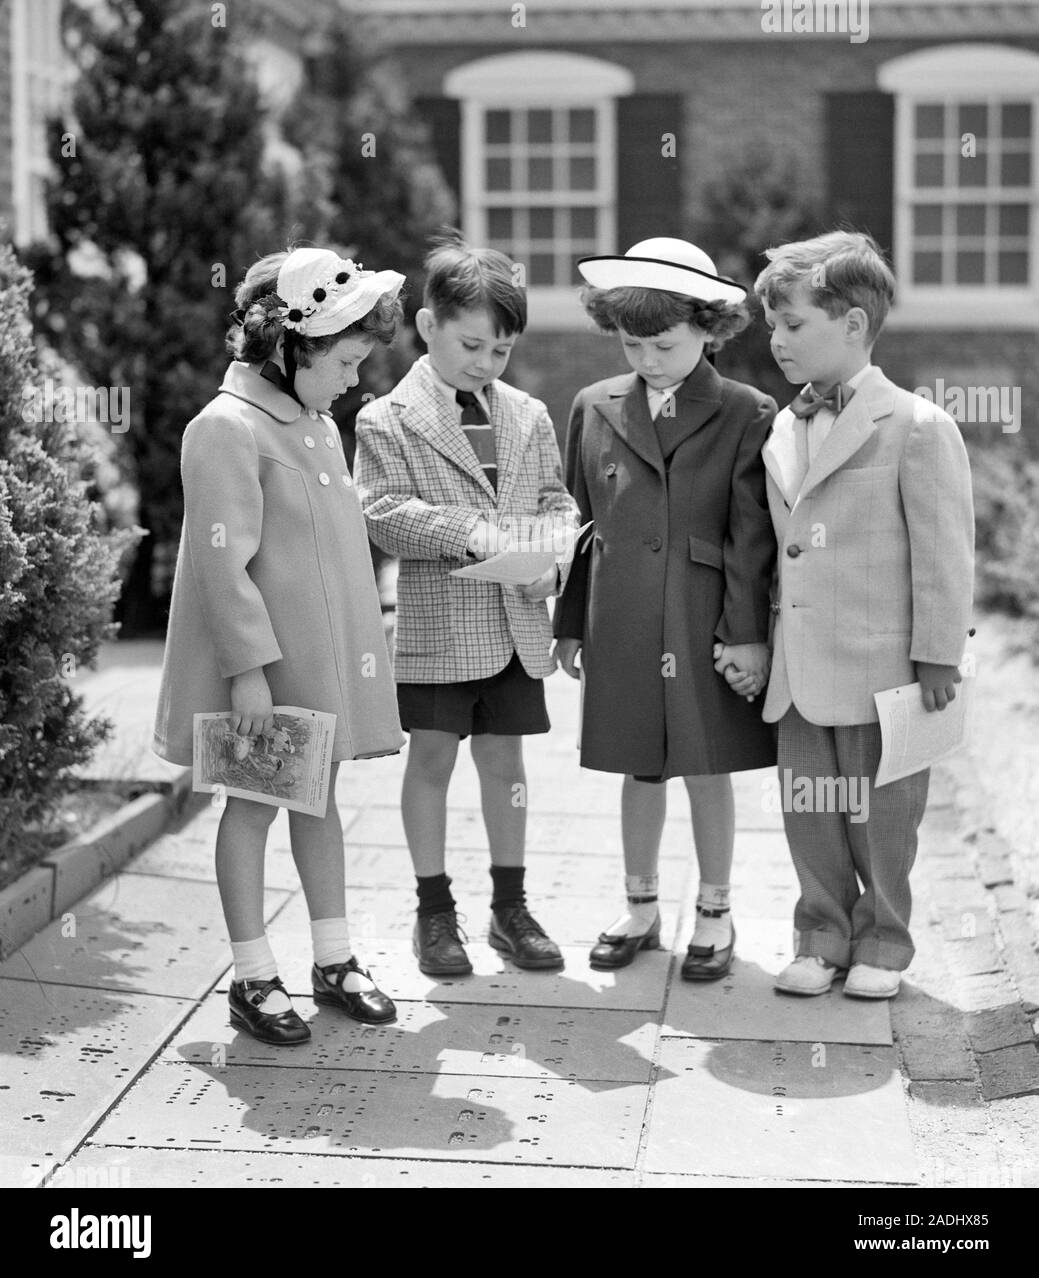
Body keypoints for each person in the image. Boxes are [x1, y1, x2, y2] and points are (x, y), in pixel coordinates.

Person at [153, 247, 406, 1044]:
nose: (355, 378)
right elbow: (220, 570)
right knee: (255, 805)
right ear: (291, 346)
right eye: (344, 360)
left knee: (319, 798)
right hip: (263, 673)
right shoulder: (225, 428)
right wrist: (248, 676)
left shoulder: (316, 425)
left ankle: (332, 958)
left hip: (319, 665)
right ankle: (252, 973)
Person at [719, 230, 974, 1000]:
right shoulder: (780, 428)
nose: (776, 340)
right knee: (809, 809)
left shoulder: (916, 426)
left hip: (882, 664)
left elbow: (942, 552)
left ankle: (884, 943)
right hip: (799, 662)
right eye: (771, 325)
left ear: (854, 325)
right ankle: (819, 932)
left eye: (793, 326)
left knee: (883, 814)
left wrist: (936, 653)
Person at [353, 233, 579, 977]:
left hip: (515, 622)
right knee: (432, 759)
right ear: (427, 325)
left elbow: (553, 499)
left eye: (500, 351)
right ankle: (432, 910)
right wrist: (470, 531)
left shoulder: (527, 414)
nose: (485, 364)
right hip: (436, 627)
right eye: (472, 345)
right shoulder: (385, 419)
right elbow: (380, 512)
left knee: (505, 762)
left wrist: (551, 557)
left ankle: (509, 908)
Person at [553, 237, 777, 979]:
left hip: (700, 617)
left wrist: (744, 636)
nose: (646, 359)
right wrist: (568, 623)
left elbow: (752, 538)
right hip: (617, 616)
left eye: (664, 344)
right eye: (630, 344)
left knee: (706, 765)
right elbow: (577, 526)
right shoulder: (591, 405)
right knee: (636, 765)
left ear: (709, 328)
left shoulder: (747, 411)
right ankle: (641, 907)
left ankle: (714, 910)